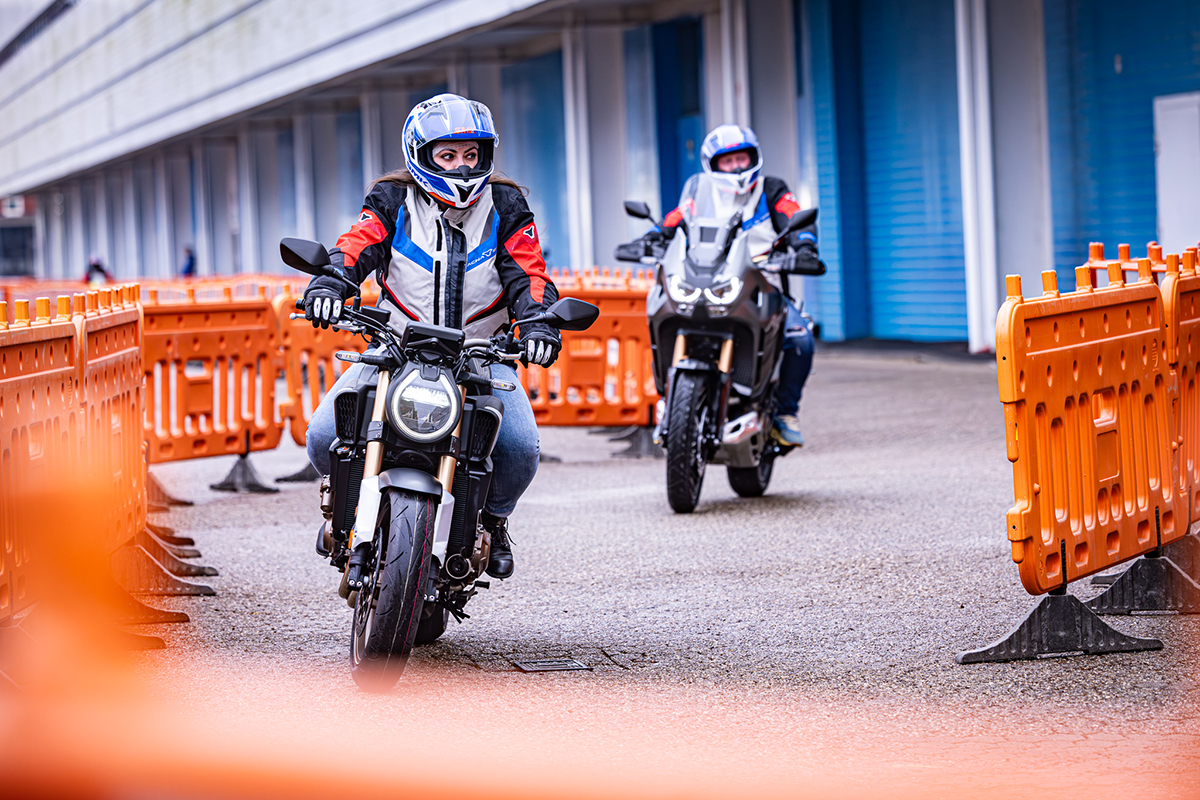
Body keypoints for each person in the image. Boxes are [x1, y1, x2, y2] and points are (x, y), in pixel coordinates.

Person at [302, 93, 561, 580]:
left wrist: (539, 324)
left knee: (520, 451)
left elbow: (530, 275)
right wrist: (330, 285)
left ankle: (494, 522)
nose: (461, 167)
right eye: (447, 155)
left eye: (471, 155)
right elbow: (356, 247)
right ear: (421, 155)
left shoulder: (506, 206)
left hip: (481, 353)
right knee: (322, 436)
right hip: (396, 345)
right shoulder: (390, 198)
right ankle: (340, 505)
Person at [643, 124, 823, 446]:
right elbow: (671, 221)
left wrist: (805, 247)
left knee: (800, 338)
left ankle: (784, 414)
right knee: (661, 311)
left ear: (754, 157)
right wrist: (648, 239)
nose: (737, 167)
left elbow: (795, 218)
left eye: (741, 158)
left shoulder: (772, 189)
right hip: (707, 280)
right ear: (712, 165)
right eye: (727, 161)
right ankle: (670, 398)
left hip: (762, 283)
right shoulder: (699, 195)